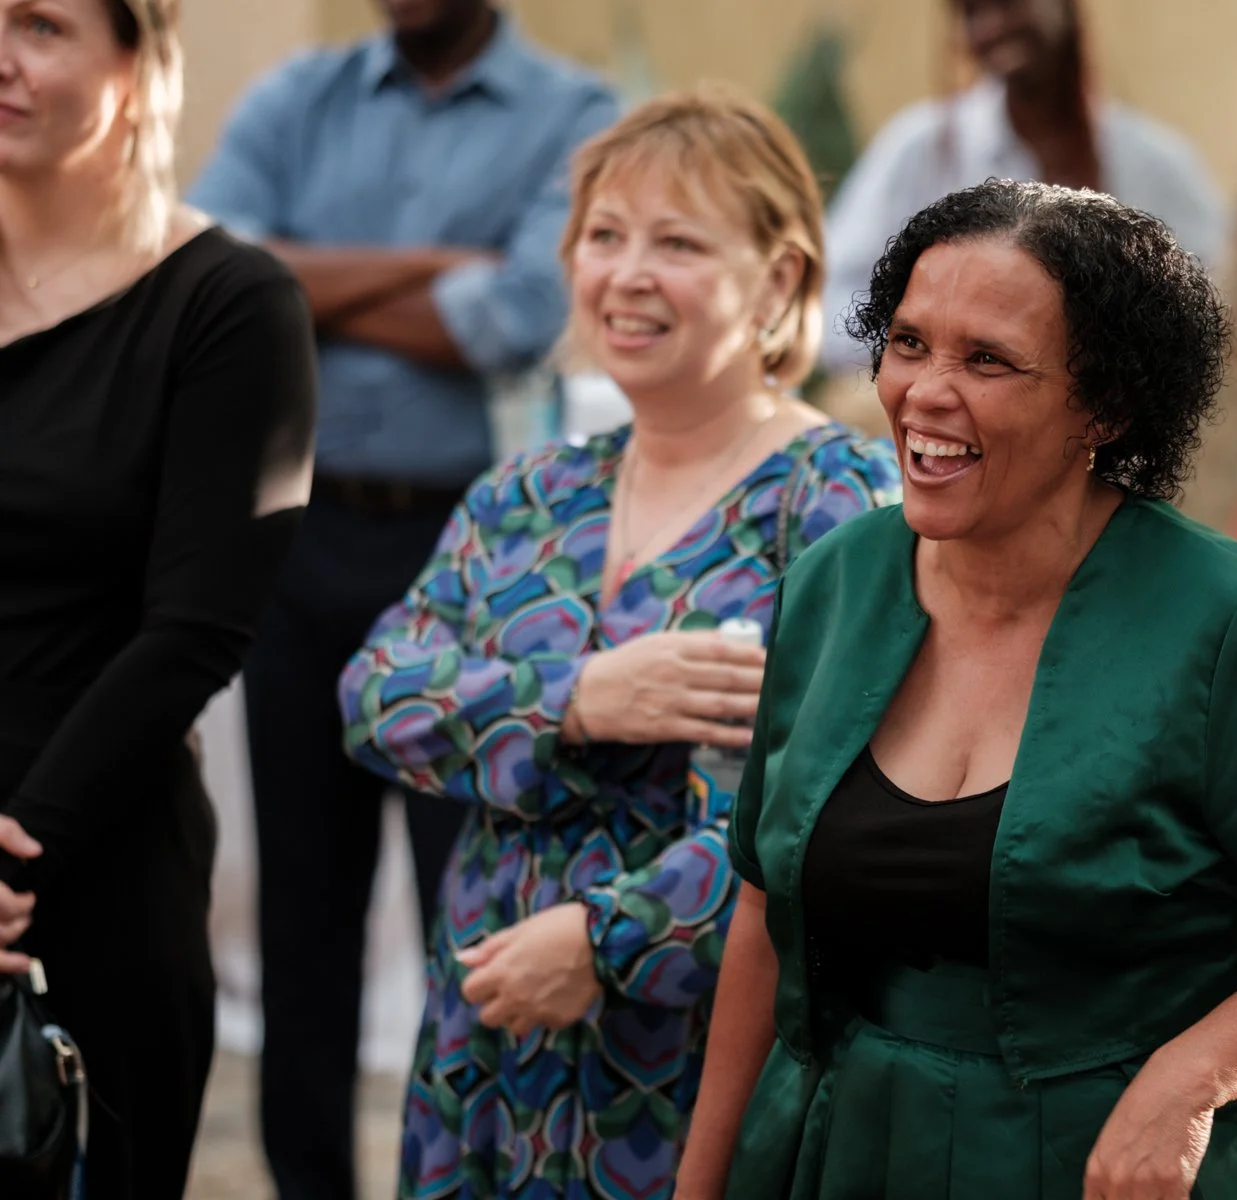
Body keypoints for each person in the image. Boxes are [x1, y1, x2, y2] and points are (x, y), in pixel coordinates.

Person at [676, 179, 1237, 1200]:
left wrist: (1195, 1077)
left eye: (987, 360)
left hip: (1117, 1166)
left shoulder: (1229, 618)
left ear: (1107, 406)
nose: (925, 392)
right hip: (847, 1149)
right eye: (908, 343)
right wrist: (701, 1183)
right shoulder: (833, 583)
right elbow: (762, 913)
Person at [337, 88, 901, 1200]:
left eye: (677, 243)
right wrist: (578, 696)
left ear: (778, 279)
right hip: (487, 1038)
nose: (627, 274)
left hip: (690, 1054)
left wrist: (609, 942)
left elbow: (839, 806)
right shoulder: (528, 493)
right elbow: (373, 696)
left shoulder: (838, 500)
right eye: (603, 237)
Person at [185, 3, 617, 1194]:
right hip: (297, 539)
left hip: (481, 564)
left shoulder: (574, 115)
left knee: (471, 907)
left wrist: (305, 279)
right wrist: (437, 273)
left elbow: (522, 313)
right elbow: (216, 266)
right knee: (301, 917)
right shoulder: (296, 98)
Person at [0, 0, 316, 1195]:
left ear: (138, 65)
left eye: (40, 24)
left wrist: (15, 853)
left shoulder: (230, 304)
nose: (0, 56)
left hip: (89, 878)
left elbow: (196, 630)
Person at [818, 0, 1227, 373]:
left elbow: (1215, 300)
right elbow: (832, 299)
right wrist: (930, 354)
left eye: (1011, 5)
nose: (992, 27)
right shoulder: (921, 149)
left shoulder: (1149, 162)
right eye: (972, 13)